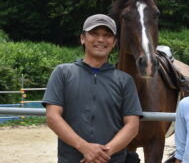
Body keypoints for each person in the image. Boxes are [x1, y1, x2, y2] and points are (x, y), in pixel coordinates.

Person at [42, 14, 143, 163]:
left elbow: (132, 125)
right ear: (83, 38)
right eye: (94, 33)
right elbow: (52, 117)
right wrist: (84, 147)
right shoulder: (62, 73)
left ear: (114, 42)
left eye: (107, 35)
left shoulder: (125, 80)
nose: (101, 40)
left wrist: (101, 154)